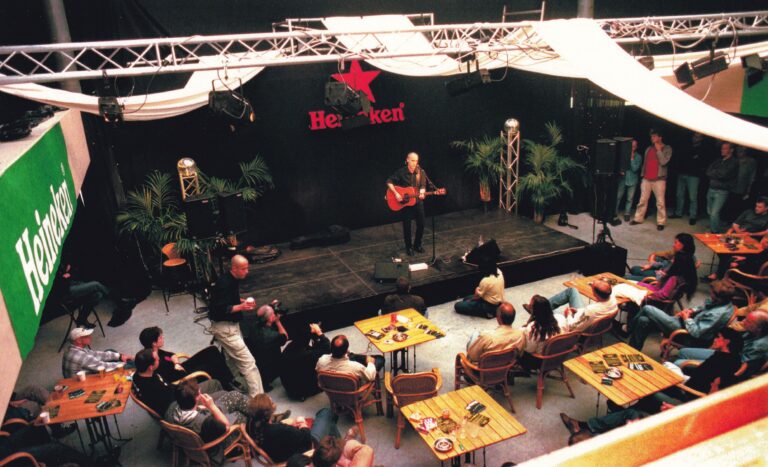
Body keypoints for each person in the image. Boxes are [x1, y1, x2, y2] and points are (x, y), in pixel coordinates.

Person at [208, 254, 264, 396]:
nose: (247, 271)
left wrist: (242, 301)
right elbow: (219, 309)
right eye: (244, 269)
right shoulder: (223, 284)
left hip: (230, 326)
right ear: (234, 268)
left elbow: (227, 299)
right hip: (225, 328)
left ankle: (240, 386)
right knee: (249, 364)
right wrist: (242, 307)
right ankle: (260, 402)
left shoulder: (231, 280)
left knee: (232, 359)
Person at [629, 280, 735, 351]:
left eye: (712, 294)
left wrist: (686, 318)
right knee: (643, 320)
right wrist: (690, 311)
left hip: (687, 335)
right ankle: (632, 351)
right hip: (685, 323)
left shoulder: (718, 314)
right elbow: (704, 307)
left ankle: (628, 329)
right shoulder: (723, 303)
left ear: (719, 297)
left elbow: (696, 333)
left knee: (648, 309)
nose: (710, 295)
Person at [675, 309, 768, 382]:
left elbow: (740, 368)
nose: (743, 321)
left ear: (758, 328)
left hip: (729, 365)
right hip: (727, 353)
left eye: (748, 321)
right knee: (683, 352)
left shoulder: (759, 346)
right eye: (745, 318)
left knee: (679, 363)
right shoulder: (753, 331)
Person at [245, 393, 341, 463]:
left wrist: (283, 423)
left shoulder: (251, 422)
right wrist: (302, 422)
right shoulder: (281, 430)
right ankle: (337, 448)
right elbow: (306, 437)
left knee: (329, 424)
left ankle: (337, 445)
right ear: (270, 412)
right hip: (303, 451)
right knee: (326, 413)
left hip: (278, 454)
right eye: (271, 401)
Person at [132, 348, 224, 418]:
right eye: (156, 359)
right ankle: (220, 414)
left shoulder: (139, 375)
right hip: (179, 405)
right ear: (150, 367)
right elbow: (177, 402)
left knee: (214, 383)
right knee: (217, 387)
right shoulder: (153, 388)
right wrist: (191, 390)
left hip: (176, 395)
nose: (159, 359)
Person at [138, 326, 237, 390]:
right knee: (210, 366)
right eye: (160, 338)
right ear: (154, 343)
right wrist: (177, 366)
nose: (163, 338)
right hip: (182, 378)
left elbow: (172, 354)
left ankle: (229, 379)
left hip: (179, 368)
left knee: (212, 350)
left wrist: (176, 363)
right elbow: (170, 381)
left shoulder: (155, 350)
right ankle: (227, 386)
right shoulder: (153, 360)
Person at [630, 129, 673, 231]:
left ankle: (661, 222)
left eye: (654, 136)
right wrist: (643, 175)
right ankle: (638, 218)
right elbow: (645, 163)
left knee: (660, 202)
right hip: (646, 179)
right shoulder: (649, 148)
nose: (652, 138)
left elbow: (663, 162)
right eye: (651, 136)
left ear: (660, 137)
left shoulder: (667, 148)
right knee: (642, 200)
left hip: (659, 179)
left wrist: (658, 150)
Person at [387, 152, 428, 256]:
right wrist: (396, 193)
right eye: (413, 160)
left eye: (417, 161)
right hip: (406, 203)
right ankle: (409, 247)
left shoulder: (421, 172)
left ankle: (417, 245)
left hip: (418, 202)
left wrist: (422, 192)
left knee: (422, 224)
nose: (415, 163)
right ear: (407, 160)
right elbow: (389, 181)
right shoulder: (401, 172)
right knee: (407, 226)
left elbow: (423, 185)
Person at [280, 323, 330, 401]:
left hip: (289, 386)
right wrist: (319, 333)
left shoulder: (289, 347)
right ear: (308, 337)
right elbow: (327, 348)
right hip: (301, 390)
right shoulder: (307, 355)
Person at [546, 280, 617, 333]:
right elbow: (587, 315)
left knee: (553, 312)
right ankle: (542, 307)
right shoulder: (613, 299)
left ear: (595, 294)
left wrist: (569, 315)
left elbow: (572, 327)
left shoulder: (591, 310)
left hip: (579, 330)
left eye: (592, 286)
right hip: (586, 316)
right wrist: (578, 311)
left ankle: (540, 308)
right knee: (572, 290)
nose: (591, 284)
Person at [670, 132, 710, 225]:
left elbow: (701, 162)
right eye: (694, 136)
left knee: (693, 196)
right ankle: (678, 212)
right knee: (679, 194)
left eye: (698, 137)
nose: (695, 138)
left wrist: (694, 160)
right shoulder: (687, 146)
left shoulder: (703, 149)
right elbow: (682, 158)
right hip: (682, 173)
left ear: (701, 139)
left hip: (694, 175)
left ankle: (693, 216)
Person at [61, 327, 132, 378]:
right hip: (79, 384)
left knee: (110, 351)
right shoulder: (81, 356)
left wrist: (120, 356)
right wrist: (125, 364)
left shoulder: (72, 348)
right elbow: (103, 367)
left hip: (81, 374)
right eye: (87, 336)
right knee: (129, 366)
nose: (90, 337)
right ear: (79, 340)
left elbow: (95, 354)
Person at [518, 295, 567, 369]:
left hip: (541, 361)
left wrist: (523, 330)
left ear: (535, 312)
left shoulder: (533, 329)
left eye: (531, 307)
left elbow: (530, 350)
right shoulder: (561, 318)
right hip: (560, 355)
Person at [625, 233, 697, 282]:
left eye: (676, 243)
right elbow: (664, 264)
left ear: (683, 245)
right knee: (634, 269)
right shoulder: (678, 254)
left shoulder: (683, 259)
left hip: (659, 280)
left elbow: (666, 277)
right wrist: (651, 265)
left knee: (626, 277)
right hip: (659, 273)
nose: (673, 245)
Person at [58, 262, 109, 327]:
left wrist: (69, 270)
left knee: (98, 295)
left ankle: (82, 319)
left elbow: (73, 272)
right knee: (96, 284)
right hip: (66, 291)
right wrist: (63, 276)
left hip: (74, 284)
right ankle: (119, 302)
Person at [705, 141, 739, 233]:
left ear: (731, 150)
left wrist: (715, 173)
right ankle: (714, 227)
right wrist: (716, 173)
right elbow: (708, 171)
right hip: (711, 188)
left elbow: (724, 174)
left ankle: (714, 232)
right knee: (710, 211)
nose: (722, 150)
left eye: (724, 149)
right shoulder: (718, 160)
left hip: (721, 191)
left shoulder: (734, 162)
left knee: (714, 213)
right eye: (722, 148)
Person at [616, 138, 642, 222]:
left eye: (634, 146)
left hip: (633, 180)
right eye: (631, 145)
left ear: (636, 147)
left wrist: (631, 158)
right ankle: (614, 212)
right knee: (618, 196)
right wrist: (621, 171)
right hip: (623, 179)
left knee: (629, 198)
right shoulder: (624, 154)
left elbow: (635, 169)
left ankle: (627, 213)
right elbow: (620, 165)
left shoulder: (638, 157)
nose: (632, 147)